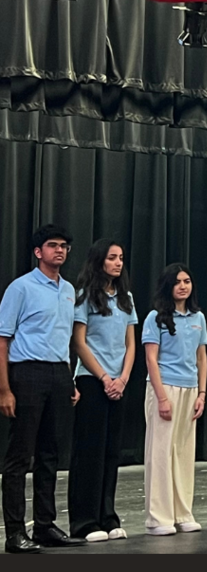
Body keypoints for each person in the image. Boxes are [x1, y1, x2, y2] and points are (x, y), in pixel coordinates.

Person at [0, 224, 86, 553]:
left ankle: (45, 526)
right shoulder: (21, 288)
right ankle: (14, 533)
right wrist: (5, 389)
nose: (60, 251)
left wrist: (70, 379)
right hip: (27, 373)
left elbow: (65, 339)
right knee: (20, 455)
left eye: (64, 246)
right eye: (53, 245)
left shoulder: (68, 290)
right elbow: (3, 340)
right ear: (39, 252)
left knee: (50, 455)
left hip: (58, 373)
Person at [67, 239, 138, 542]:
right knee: (89, 453)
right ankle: (85, 522)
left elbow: (131, 343)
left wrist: (122, 379)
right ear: (99, 261)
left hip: (118, 384)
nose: (118, 263)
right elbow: (79, 342)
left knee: (111, 452)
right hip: (92, 381)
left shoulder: (126, 298)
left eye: (121, 258)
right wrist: (105, 378)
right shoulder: (84, 297)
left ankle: (108, 516)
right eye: (112, 258)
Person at [141, 264, 207, 535]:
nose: (183, 286)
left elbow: (202, 357)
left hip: (190, 389)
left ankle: (182, 513)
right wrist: (162, 398)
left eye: (187, 281)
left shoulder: (198, 318)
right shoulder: (155, 317)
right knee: (160, 453)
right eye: (178, 281)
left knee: (182, 452)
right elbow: (151, 359)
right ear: (168, 286)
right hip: (164, 388)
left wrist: (202, 393)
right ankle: (158, 518)